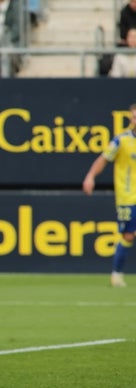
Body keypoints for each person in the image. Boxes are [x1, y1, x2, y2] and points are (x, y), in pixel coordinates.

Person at [82, 103, 136, 288]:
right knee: (128, 235)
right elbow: (103, 159)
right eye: (133, 117)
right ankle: (117, 273)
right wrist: (90, 176)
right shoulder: (121, 141)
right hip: (128, 196)